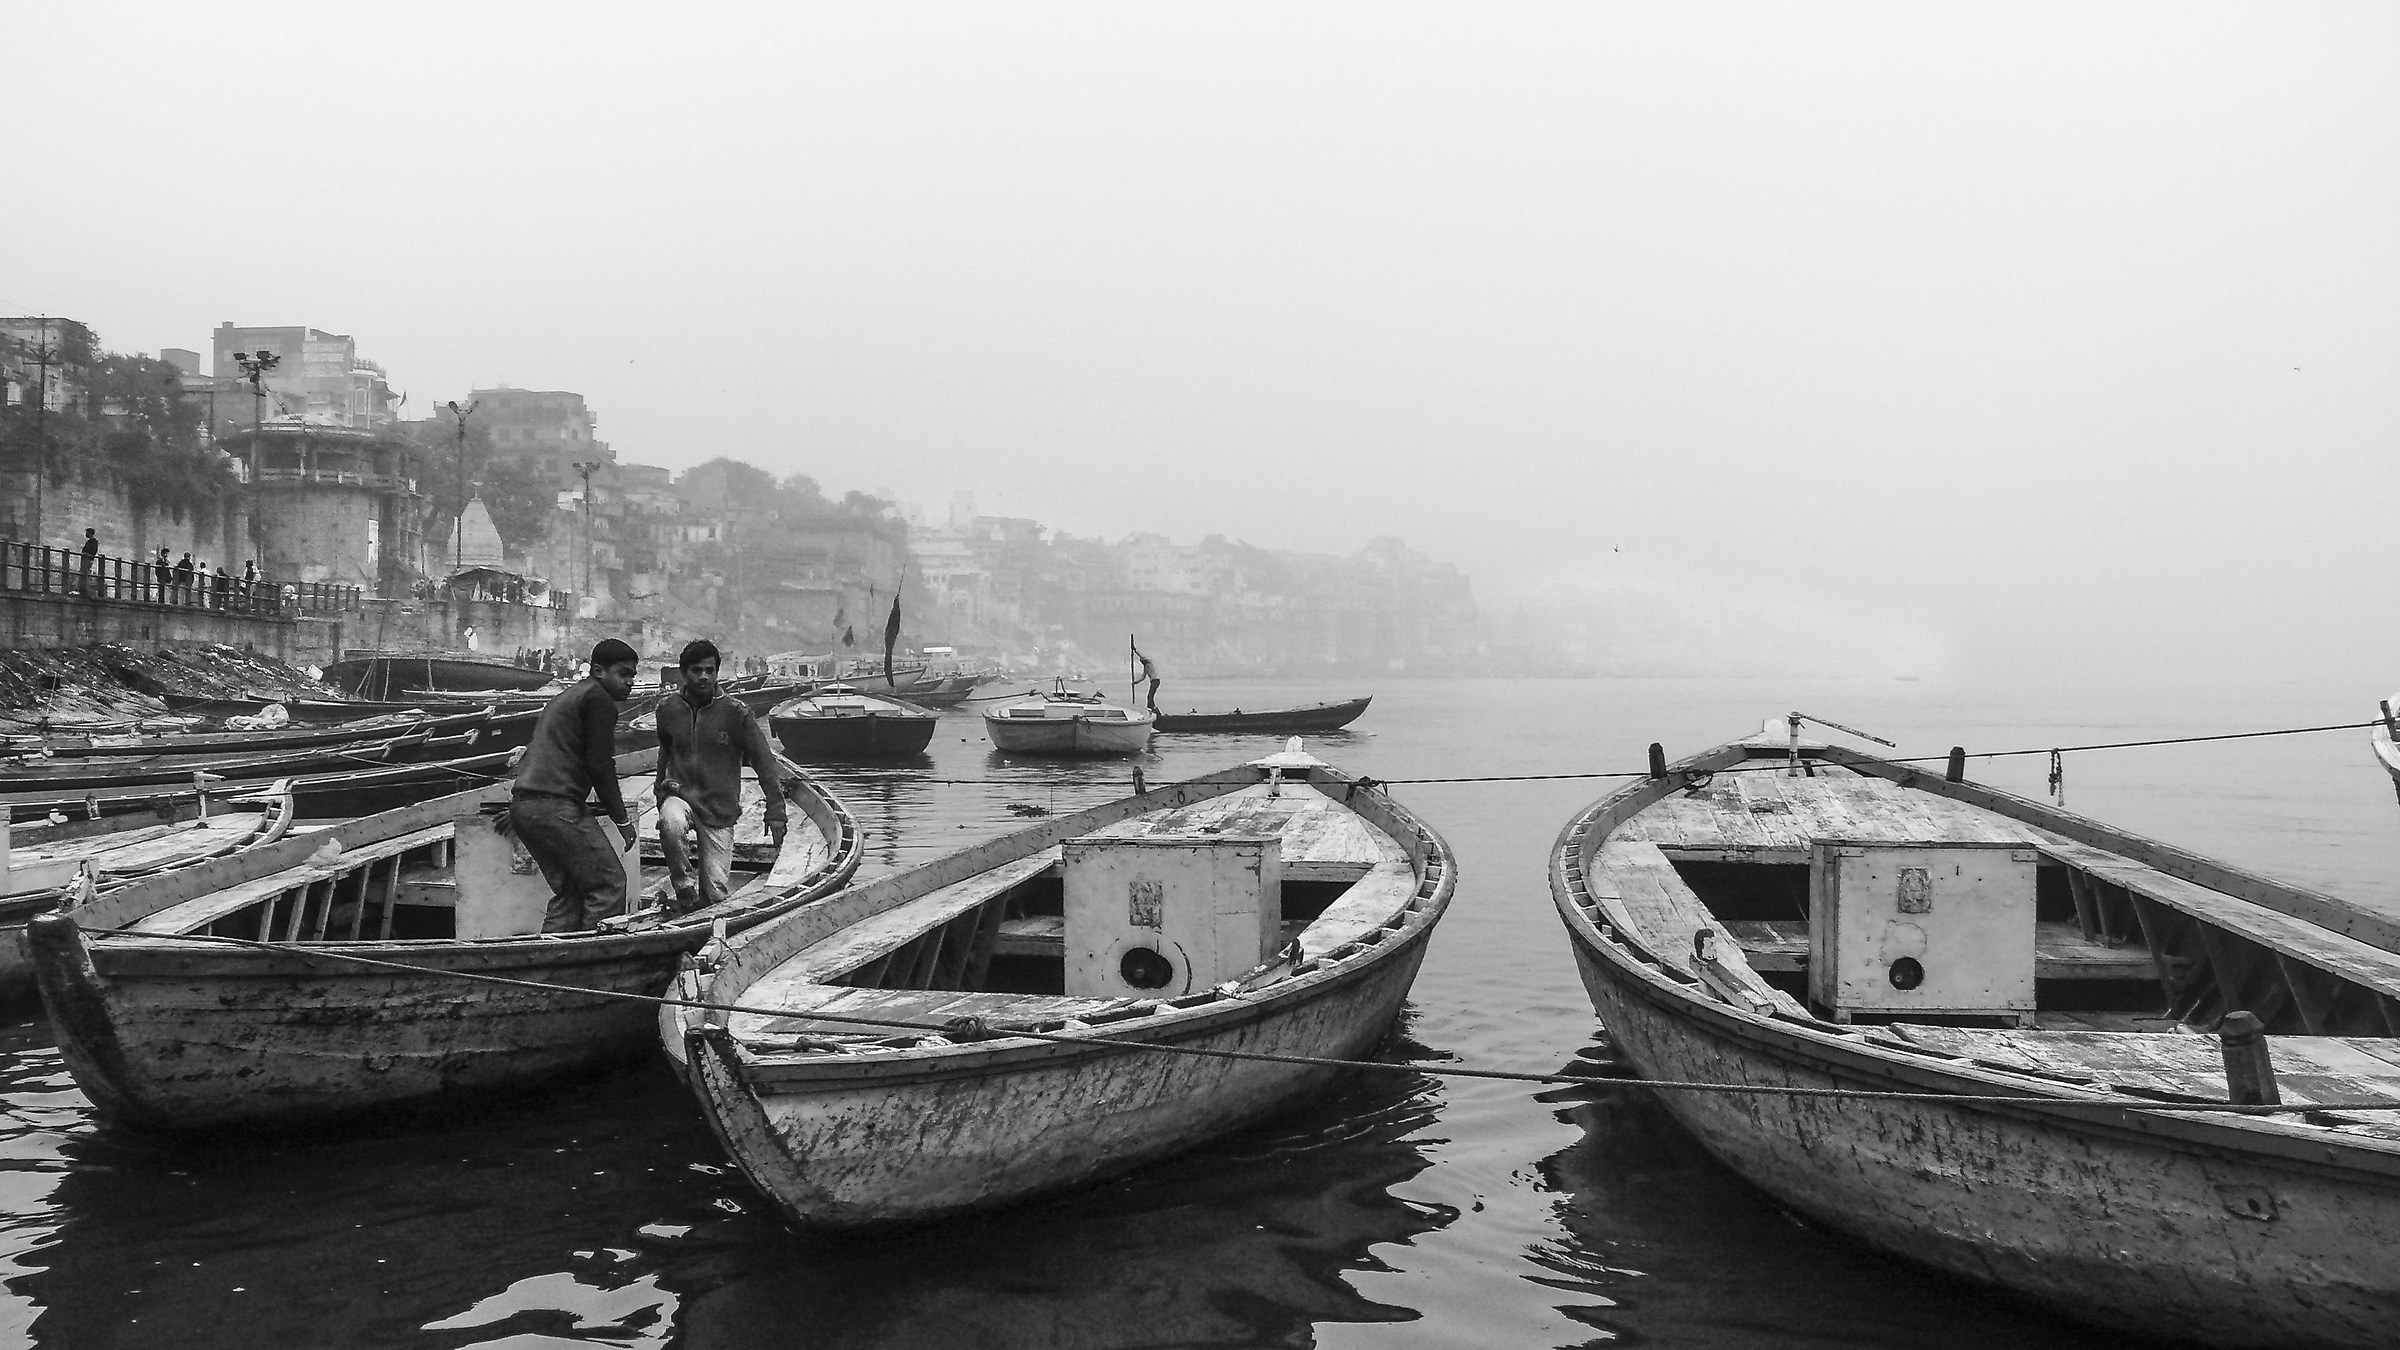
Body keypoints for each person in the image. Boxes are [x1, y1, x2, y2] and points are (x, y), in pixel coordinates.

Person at [510, 638, 641, 933]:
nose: (630, 682)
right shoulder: (598, 700)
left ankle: (547, 967)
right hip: (555, 806)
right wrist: (621, 820)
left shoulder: (568, 696)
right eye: (623, 674)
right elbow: (600, 765)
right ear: (598, 670)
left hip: (525, 807)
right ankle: (594, 965)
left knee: (569, 893)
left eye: (633, 675)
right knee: (609, 884)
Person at [654, 637, 785, 912]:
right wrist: (659, 792)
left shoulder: (736, 713)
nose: (704, 677)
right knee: (670, 822)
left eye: (710, 671)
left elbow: (764, 763)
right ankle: (684, 888)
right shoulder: (667, 710)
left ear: (717, 672)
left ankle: (702, 911)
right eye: (697, 671)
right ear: (684, 673)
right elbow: (665, 752)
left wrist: (775, 811)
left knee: (715, 896)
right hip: (681, 795)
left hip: (720, 809)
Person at [78, 528, 98, 597]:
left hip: (88, 559)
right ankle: (83, 589)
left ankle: (84, 590)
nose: (85, 534)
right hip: (87, 559)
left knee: (85, 573)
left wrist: (86, 554)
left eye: (87, 532)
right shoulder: (91, 542)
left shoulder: (93, 542)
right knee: (84, 573)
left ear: (90, 533)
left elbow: (92, 551)